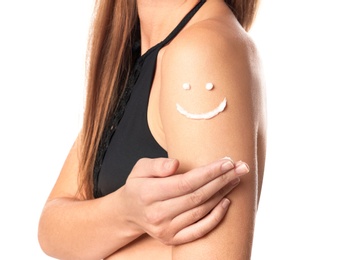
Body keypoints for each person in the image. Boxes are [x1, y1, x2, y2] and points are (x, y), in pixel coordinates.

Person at [38, 0, 266, 259]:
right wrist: (126, 212)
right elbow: (51, 227)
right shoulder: (131, 55)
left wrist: (105, 236)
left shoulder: (200, 52)